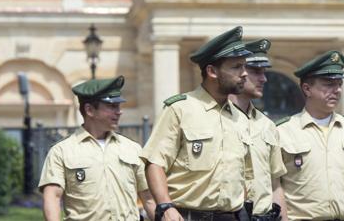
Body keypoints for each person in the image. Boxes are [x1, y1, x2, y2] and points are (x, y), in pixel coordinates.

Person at [141, 26, 253, 221]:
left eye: (244, 66)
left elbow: (245, 174)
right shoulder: (180, 109)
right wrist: (165, 207)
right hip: (190, 215)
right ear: (212, 71)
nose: (244, 73)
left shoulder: (240, 118)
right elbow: (155, 162)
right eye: (236, 67)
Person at [38, 75, 156, 220]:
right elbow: (53, 198)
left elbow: (148, 198)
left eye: (118, 106)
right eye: (112, 106)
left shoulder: (133, 148)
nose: (119, 111)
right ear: (89, 110)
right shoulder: (61, 151)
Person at [273, 50, 344, 220]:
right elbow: (274, 186)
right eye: (328, 84)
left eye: (339, 84)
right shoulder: (283, 132)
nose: (337, 90)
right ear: (307, 88)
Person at [231, 39, 287, 221]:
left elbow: (275, 184)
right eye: (255, 71)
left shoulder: (267, 125)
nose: (264, 78)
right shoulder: (213, 118)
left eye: (264, 72)